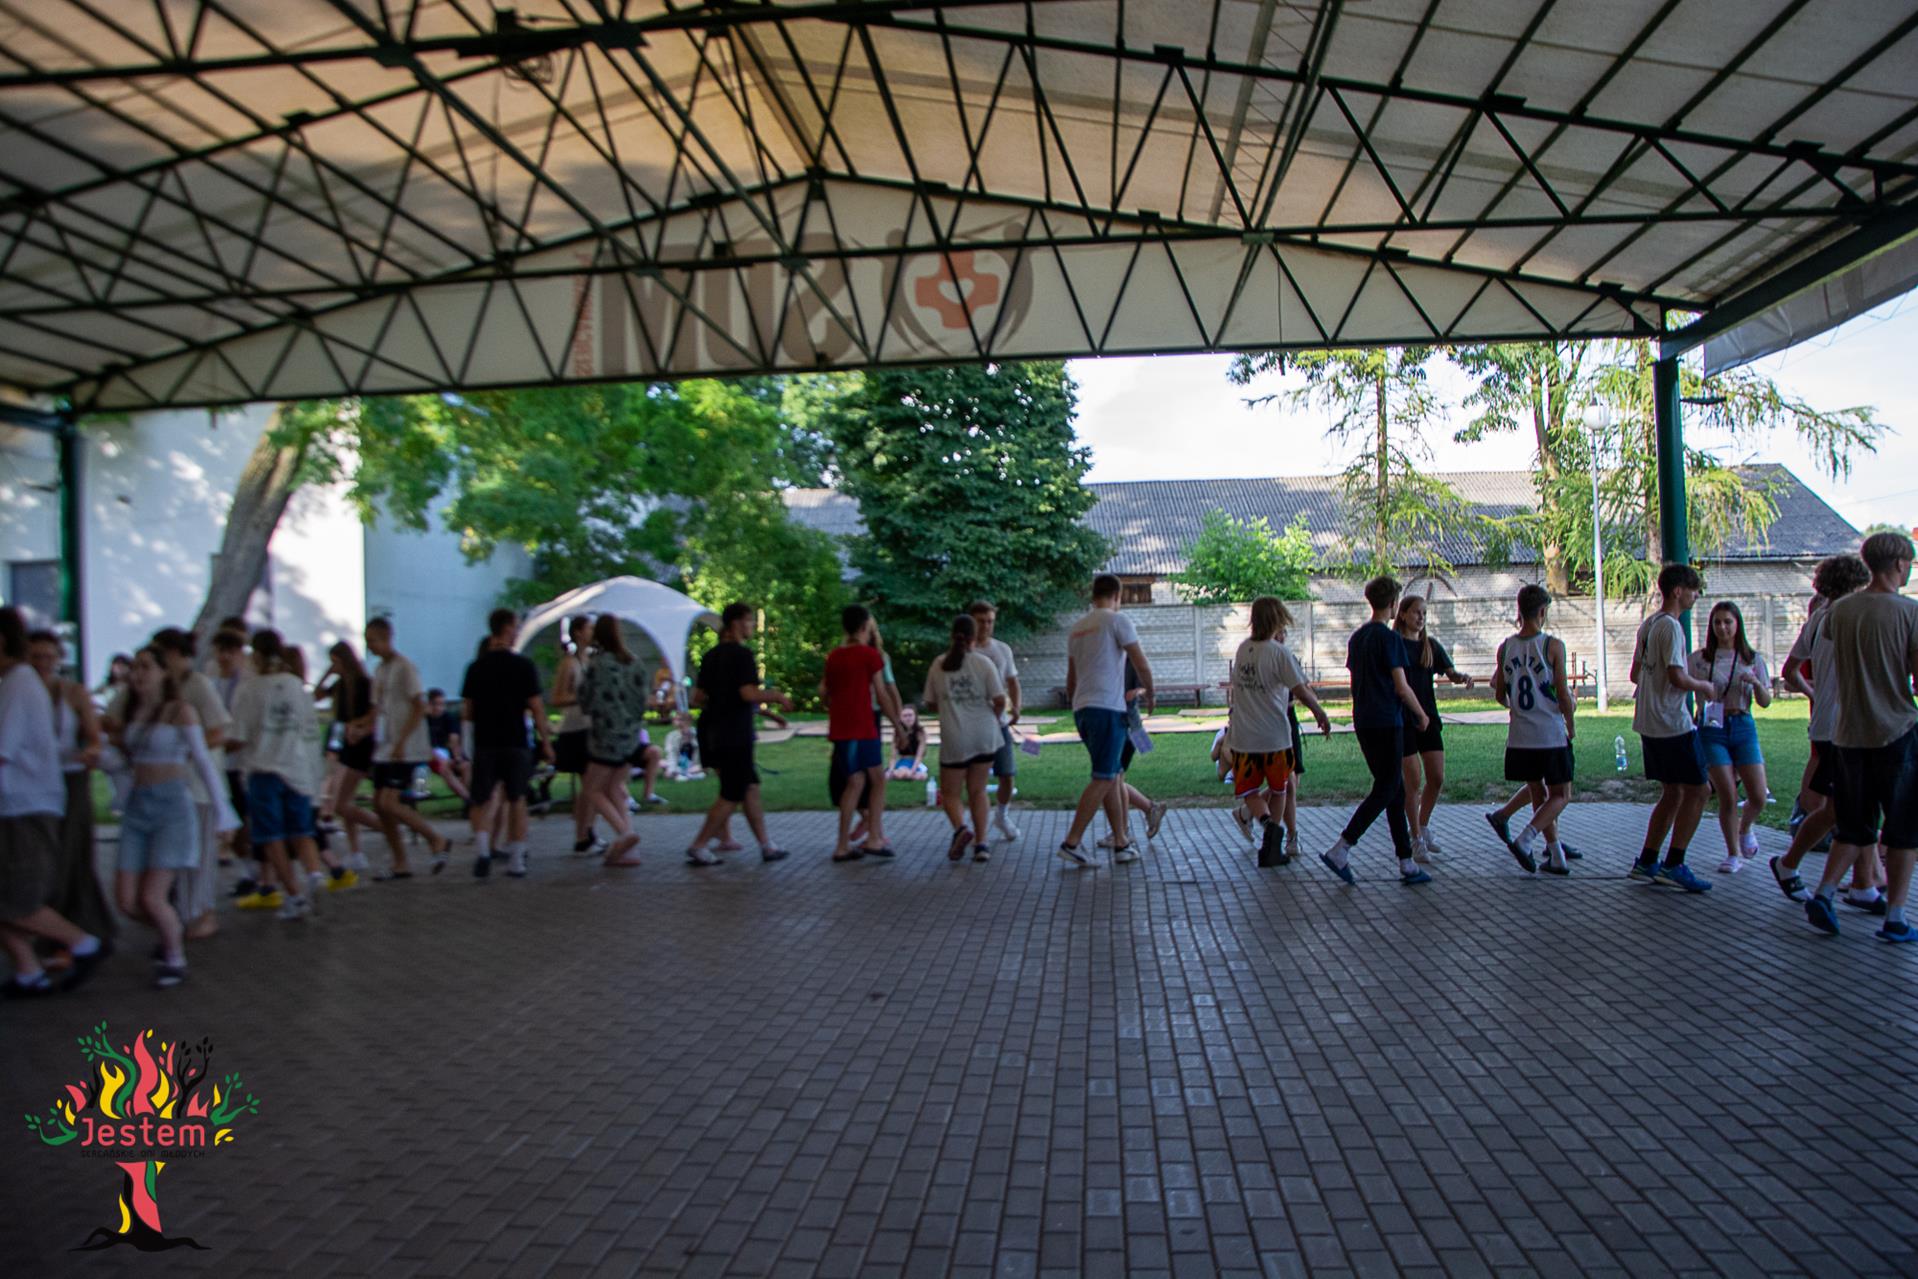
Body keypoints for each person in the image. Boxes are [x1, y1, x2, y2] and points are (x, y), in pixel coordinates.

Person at [1804, 531, 1918, 941]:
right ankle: (1896, 918)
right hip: (1895, 730)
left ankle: (1824, 892)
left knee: (1853, 824)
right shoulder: (1909, 612)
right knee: (1903, 830)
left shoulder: (1840, 612)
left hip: (1847, 734)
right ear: (1900, 564)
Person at [108, 646, 238, 986]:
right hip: (137, 807)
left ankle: (174, 957)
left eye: (146, 667)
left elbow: (203, 760)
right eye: (135, 667)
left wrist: (223, 811)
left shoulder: (181, 710)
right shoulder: (133, 710)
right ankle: (171, 929)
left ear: (163, 672)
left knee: (152, 896)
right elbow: (121, 756)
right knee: (126, 900)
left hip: (172, 807)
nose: (138, 674)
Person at [0, 607, 112, 997]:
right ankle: (28, 971)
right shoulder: (14, 683)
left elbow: (4, 749)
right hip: (16, 805)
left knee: (19, 897)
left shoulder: (19, 684)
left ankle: (83, 944)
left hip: (25, 806)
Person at [228, 629, 351, 924]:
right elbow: (309, 731)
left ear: (256, 655)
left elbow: (238, 737)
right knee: (302, 832)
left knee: (271, 837)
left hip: (264, 770)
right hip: (296, 770)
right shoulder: (296, 686)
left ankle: (294, 894)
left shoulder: (249, 690)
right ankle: (314, 875)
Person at [1772, 554, 1873, 902]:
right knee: (1845, 809)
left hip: (1829, 724)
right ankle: (1798, 868)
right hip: (1846, 728)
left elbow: (1789, 670)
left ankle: (1864, 883)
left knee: (1841, 807)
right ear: (1856, 584)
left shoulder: (1817, 619)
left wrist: (1815, 693)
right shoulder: (1851, 618)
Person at [1321, 576, 1430, 886]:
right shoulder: (1390, 639)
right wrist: (1421, 714)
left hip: (1364, 720)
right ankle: (1342, 847)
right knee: (1387, 786)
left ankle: (1406, 861)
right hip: (1387, 721)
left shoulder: (1357, 638)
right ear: (1394, 604)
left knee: (1395, 789)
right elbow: (1401, 686)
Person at [133, 628, 232, 941]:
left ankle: (202, 913)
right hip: (172, 788)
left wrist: (184, 748)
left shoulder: (197, 685)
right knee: (174, 856)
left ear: (174, 655)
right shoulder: (159, 692)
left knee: (198, 856)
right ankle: (181, 912)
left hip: (197, 785)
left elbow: (219, 731)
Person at [1627, 564, 1717, 893]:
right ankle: (1674, 863)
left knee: (1673, 791)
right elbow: (1678, 676)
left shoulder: (1649, 624)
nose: (1695, 596)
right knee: (1700, 790)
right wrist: (1703, 686)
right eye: (1693, 590)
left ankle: (1648, 859)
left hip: (1648, 721)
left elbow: (1635, 674)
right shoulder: (1672, 627)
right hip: (1672, 722)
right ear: (1678, 591)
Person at [1057, 575, 1154, 867]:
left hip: (1083, 710)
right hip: (1108, 710)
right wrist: (1151, 693)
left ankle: (1121, 842)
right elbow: (1140, 662)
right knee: (1104, 777)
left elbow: (1071, 679)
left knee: (1112, 774)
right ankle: (1072, 842)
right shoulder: (1117, 621)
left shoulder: (1077, 628)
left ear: (1093, 595)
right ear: (1117, 595)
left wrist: (1078, 707)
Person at [685, 603, 793, 864]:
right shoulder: (742, 655)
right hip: (733, 734)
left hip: (712, 731)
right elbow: (747, 693)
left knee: (750, 787)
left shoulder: (711, 656)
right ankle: (699, 845)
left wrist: (723, 701)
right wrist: (777, 696)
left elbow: (697, 698)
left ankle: (767, 846)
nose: (752, 625)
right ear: (736, 623)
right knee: (733, 791)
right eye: (749, 620)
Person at [25, 630, 113, 948]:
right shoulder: (18, 692)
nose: (43, 663)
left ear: (59, 659)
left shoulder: (73, 693)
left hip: (69, 778)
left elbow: (93, 736)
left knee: (71, 852)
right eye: (36, 657)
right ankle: (47, 927)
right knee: (38, 855)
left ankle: (76, 927)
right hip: (34, 781)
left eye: (48, 657)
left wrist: (90, 751)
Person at [1228, 597, 1331, 867]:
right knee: (1279, 788)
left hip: (1244, 738)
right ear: (1278, 619)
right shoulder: (1279, 653)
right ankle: (1273, 839)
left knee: (1250, 790)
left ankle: (1266, 825)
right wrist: (1320, 713)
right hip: (1275, 737)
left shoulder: (1243, 649)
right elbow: (1301, 690)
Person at [1489, 585, 1576, 876]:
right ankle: (1526, 838)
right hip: (1549, 732)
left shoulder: (1505, 647)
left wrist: (1518, 707)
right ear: (1542, 611)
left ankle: (1556, 854)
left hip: (1520, 736)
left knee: (1538, 791)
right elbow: (1562, 694)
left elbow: (1499, 694)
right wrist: (1570, 723)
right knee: (1561, 794)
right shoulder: (1553, 645)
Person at [463, 609, 554, 879]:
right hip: (515, 740)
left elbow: (468, 710)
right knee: (517, 799)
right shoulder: (523, 666)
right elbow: (537, 708)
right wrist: (546, 741)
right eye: (516, 627)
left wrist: (468, 741)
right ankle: (516, 859)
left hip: (485, 741)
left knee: (481, 798)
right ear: (507, 628)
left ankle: (483, 850)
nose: (517, 632)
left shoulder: (476, 667)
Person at [365, 618, 453, 876]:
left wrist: (402, 741)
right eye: (367, 641)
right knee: (379, 804)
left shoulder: (405, 668)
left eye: (373, 640)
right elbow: (378, 708)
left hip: (406, 748)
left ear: (387, 638)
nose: (370, 646)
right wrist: (362, 727)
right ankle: (400, 860)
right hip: (385, 746)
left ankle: (435, 838)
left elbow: (418, 706)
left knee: (390, 802)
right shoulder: (380, 670)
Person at [1690, 601, 1772, 875]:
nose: (1722, 627)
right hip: (1712, 727)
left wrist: (1756, 683)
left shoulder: (1752, 659)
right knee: (1728, 793)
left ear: (1738, 624)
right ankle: (1733, 853)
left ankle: (1745, 827)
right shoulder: (1700, 659)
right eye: (1717, 622)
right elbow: (1679, 682)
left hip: (1742, 723)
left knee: (1758, 795)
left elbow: (1765, 701)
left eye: (1728, 622)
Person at [1394, 594, 1473, 862]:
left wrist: (1461, 677)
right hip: (1404, 720)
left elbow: (1450, 672)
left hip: (1428, 719)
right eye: (1416, 612)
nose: (1421, 617)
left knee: (1436, 777)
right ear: (1403, 614)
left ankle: (1422, 825)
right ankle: (1415, 839)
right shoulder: (1395, 645)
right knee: (1412, 782)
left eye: (1424, 613)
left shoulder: (1431, 646)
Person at [923, 614, 1007, 863]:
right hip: (984, 735)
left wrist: (949, 706)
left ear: (952, 636)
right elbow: (1000, 699)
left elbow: (929, 703)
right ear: (974, 636)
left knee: (950, 793)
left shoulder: (939, 664)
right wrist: (994, 716)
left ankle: (961, 829)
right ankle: (981, 844)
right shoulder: (984, 663)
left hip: (955, 736)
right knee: (978, 790)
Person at [823, 605, 903, 863]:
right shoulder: (870, 655)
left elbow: (825, 695)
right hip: (862, 727)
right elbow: (882, 693)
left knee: (856, 781)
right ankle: (871, 839)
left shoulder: (834, 657)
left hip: (841, 729)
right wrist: (898, 726)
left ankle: (845, 844)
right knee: (874, 781)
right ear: (864, 626)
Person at [578, 614, 650, 867]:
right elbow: (643, 698)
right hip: (631, 736)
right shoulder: (634, 662)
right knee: (616, 787)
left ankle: (625, 833)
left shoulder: (597, 665)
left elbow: (586, 701)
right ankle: (628, 850)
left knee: (593, 788)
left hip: (605, 737)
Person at [315, 640, 377, 871]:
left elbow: (374, 712)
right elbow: (316, 695)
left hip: (360, 743)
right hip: (346, 744)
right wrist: (326, 674)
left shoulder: (363, 683)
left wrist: (358, 726)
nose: (335, 666)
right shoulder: (340, 685)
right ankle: (355, 851)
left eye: (336, 662)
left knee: (341, 803)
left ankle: (384, 827)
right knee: (345, 800)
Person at [967, 601, 1024, 841]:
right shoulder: (965, 652)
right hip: (971, 724)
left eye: (990, 621)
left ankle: (1002, 815)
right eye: (981, 621)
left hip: (998, 723)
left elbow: (1012, 681)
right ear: (971, 622)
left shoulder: (1002, 649)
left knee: (1007, 773)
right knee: (974, 778)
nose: (986, 626)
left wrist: (1016, 707)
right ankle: (976, 826)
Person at [1098, 659, 1169, 851]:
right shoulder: (1118, 656)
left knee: (1110, 780)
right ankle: (1148, 811)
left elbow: (1139, 687)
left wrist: (1142, 693)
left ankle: (1122, 831)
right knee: (1112, 779)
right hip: (1128, 726)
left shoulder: (1125, 657)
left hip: (1126, 728)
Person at [210, 629, 258, 891]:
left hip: (240, 762)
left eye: (231, 651)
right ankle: (249, 870)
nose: (225, 657)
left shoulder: (247, 685)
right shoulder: (211, 682)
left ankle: (255, 870)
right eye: (221, 651)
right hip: (220, 760)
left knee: (244, 820)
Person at [550, 616, 599, 854]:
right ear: (578, 632)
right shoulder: (569, 664)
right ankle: (583, 834)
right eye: (589, 628)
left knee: (593, 783)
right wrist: (583, 697)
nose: (593, 632)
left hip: (591, 727)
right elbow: (556, 698)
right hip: (575, 730)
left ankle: (587, 831)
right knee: (590, 783)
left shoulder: (591, 660)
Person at [424, 688, 471, 803]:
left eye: (441, 704)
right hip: (432, 756)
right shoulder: (424, 721)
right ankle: (468, 799)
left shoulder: (449, 718)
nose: (438, 708)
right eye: (435, 704)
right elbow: (425, 746)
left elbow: (454, 740)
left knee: (466, 766)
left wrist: (457, 757)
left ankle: (467, 798)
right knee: (445, 768)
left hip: (448, 753)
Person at [886, 706, 928, 780]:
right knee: (893, 774)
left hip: (915, 762)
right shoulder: (897, 733)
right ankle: (901, 774)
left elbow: (919, 756)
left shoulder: (920, 733)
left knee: (922, 776)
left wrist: (912, 771)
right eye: (905, 716)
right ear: (901, 718)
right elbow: (893, 756)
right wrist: (891, 770)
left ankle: (904, 774)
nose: (908, 718)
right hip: (902, 762)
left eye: (910, 715)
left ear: (915, 716)